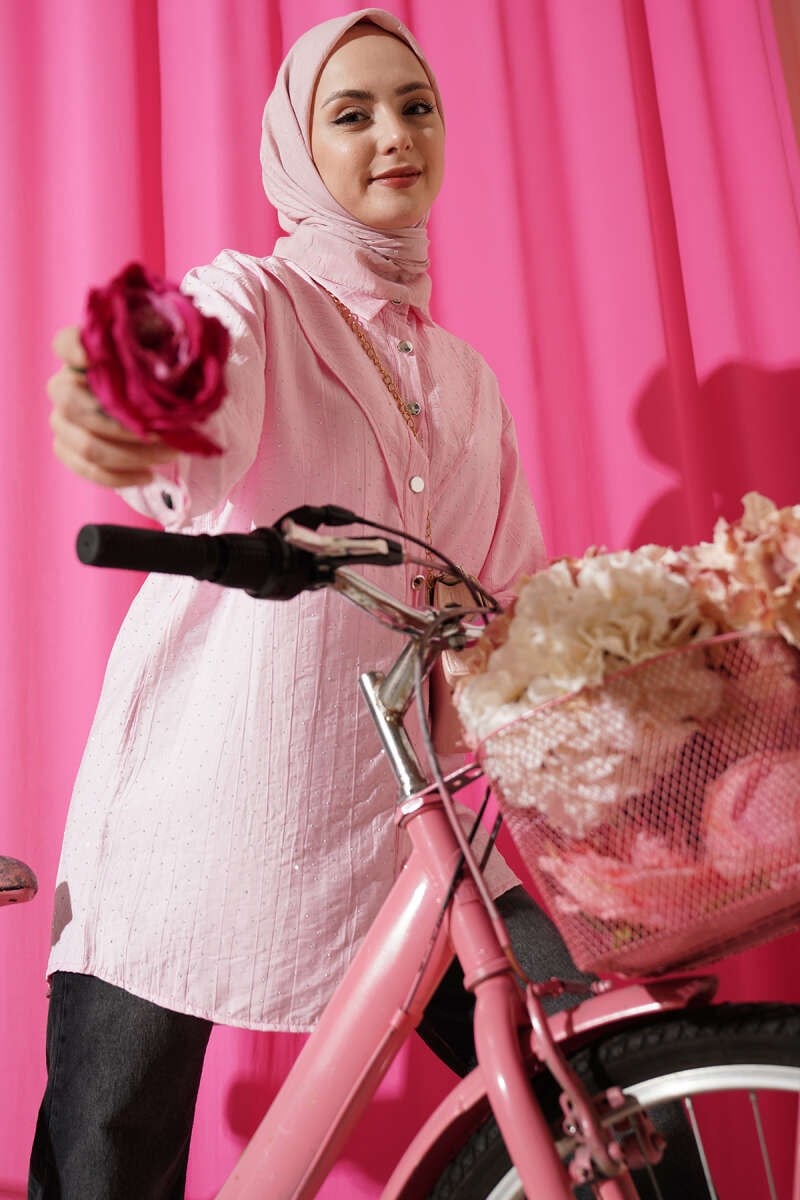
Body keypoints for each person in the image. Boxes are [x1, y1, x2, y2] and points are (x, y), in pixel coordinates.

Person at [31, 10, 580, 1197]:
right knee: (104, 1162)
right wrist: (133, 406)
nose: (394, 136)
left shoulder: (464, 380)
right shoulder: (253, 298)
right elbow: (189, 399)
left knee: (590, 1070)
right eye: (352, 113)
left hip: (401, 829)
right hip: (192, 811)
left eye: (415, 107)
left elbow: (509, 602)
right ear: (297, 145)